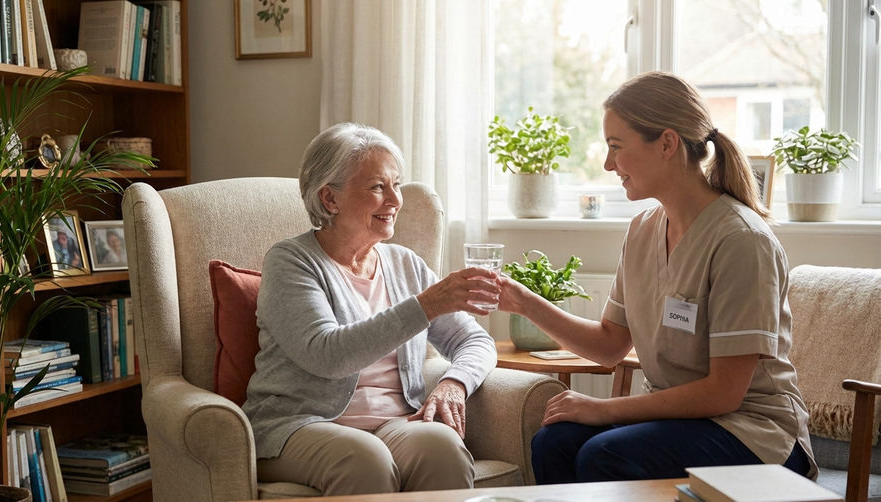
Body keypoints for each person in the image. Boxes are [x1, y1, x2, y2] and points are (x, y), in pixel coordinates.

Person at [496, 71, 816, 484]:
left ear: (667, 143)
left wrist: (604, 409)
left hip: (754, 433)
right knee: (553, 441)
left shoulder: (742, 241)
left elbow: (724, 393)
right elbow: (609, 345)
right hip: (680, 421)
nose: (609, 164)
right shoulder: (643, 229)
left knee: (604, 454)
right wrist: (524, 301)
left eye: (616, 147)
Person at [242, 122, 500, 495]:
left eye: (396, 184)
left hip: (391, 423)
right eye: (378, 187)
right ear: (330, 199)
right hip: (297, 424)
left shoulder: (405, 265)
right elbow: (327, 355)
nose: (395, 200)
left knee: (443, 449)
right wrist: (426, 305)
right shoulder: (291, 262)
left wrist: (453, 383)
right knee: (365, 458)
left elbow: (475, 340)